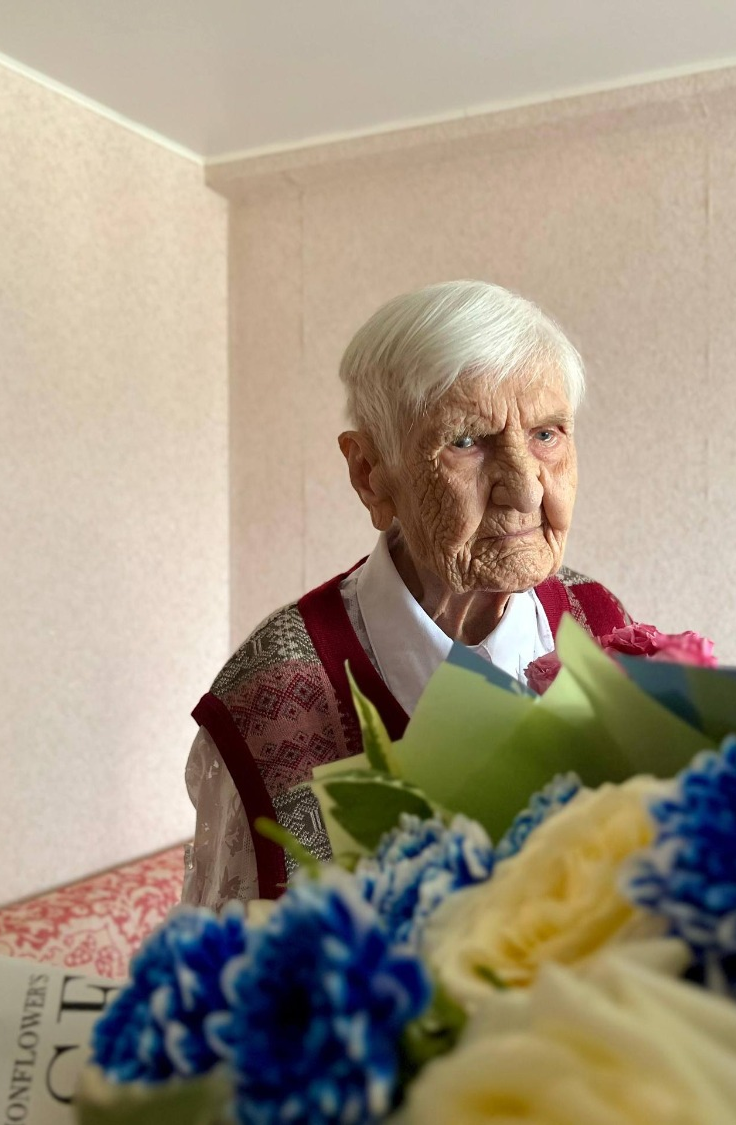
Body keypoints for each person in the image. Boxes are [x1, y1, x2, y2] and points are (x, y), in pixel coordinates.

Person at [182, 280, 635, 905]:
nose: (526, 489)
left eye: (547, 434)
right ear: (370, 474)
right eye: (466, 441)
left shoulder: (601, 623)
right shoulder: (273, 696)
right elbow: (227, 953)